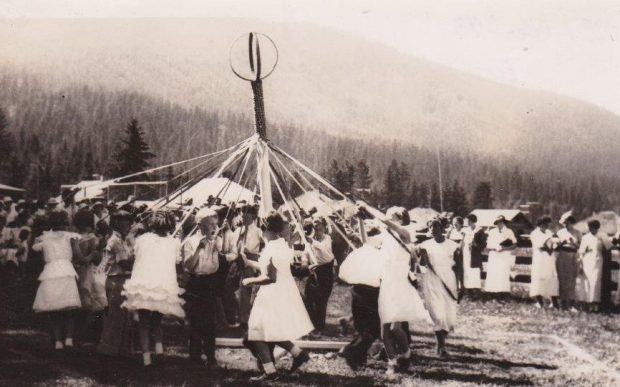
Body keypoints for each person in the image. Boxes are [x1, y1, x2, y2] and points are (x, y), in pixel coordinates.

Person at [243, 212, 313, 381]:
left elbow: (270, 277)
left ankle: (270, 372)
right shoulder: (282, 245)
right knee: (271, 330)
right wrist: (248, 262)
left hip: (272, 295)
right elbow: (272, 269)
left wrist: (249, 280)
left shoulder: (271, 249)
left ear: (266, 229)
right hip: (283, 292)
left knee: (257, 330)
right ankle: (298, 354)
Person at [122, 210, 185, 367]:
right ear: (170, 225)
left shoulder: (143, 239)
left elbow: (134, 256)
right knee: (157, 321)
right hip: (162, 285)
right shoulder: (174, 243)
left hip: (144, 284)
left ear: (152, 224)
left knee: (144, 322)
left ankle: (147, 359)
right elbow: (177, 264)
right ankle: (159, 352)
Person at [378, 228, 430, 375]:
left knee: (396, 328)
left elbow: (389, 223)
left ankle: (406, 353)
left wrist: (379, 217)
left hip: (400, 287)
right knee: (385, 330)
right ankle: (392, 362)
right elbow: (364, 240)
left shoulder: (406, 239)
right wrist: (361, 219)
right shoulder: (385, 242)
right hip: (386, 286)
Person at [182, 207, 229, 367]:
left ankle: (211, 357)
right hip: (196, 282)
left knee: (209, 321)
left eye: (215, 224)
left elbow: (218, 263)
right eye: (210, 224)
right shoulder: (190, 242)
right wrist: (199, 248)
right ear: (200, 224)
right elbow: (188, 266)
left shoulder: (217, 240)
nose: (214, 227)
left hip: (210, 282)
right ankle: (195, 357)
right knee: (195, 321)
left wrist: (217, 249)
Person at [32, 209, 82, 350]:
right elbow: (77, 255)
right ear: (66, 222)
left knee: (54, 310)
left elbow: (42, 260)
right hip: (66, 270)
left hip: (50, 271)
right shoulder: (70, 236)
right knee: (69, 308)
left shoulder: (44, 238)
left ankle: (58, 341)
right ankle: (69, 338)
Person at [417, 220, 460, 358]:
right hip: (431, 280)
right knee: (436, 312)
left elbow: (459, 267)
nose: (433, 229)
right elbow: (422, 264)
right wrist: (422, 256)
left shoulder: (452, 245)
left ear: (442, 228)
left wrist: (461, 285)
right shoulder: (425, 245)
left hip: (448, 279)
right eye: (430, 227)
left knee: (448, 313)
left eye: (436, 226)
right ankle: (441, 345)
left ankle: (442, 343)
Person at [97, 210, 135, 357]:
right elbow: (124, 263)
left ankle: (122, 349)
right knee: (117, 316)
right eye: (124, 221)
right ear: (116, 223)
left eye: (128, 221)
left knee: (125, 316)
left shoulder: (125, 240)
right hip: (117, 279)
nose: (128, 224)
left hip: (123, 279)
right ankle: (109, 349)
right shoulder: (115, 241)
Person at [303, 216, 335, 335]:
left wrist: (312, 242)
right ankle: (311, 324)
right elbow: (306, 252)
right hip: (314, 269)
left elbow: (326, 253)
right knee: (308, 297)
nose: (316, 226)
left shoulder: (327, 239)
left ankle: (319, 327)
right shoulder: (311, 238)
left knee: (321, 299)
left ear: (324, 226)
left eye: (319, 223)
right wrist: (305, 262)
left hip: (326, 270)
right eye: (314, 224)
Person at [237, 205, 263, 327]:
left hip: (251, 258)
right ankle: (232, 316)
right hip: (237, 258)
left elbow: (265, 245)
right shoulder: (238, 230)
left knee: (245, 288)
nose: (243, 217)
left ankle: (244, 320)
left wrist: (259, 261)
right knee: (227, 286)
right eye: (242, 215)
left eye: (246, 215)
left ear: (253, 216)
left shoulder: (258, 231)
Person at [484, 216, 517, 300]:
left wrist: (505, 248)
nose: (499, 224)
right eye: (497, 222)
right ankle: (493, 295)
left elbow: (514, 245)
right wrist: (494, 248)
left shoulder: (509, 231)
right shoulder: (492, 232)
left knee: (503, 274)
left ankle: (504, 294)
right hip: (494, 255)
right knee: (493, 274)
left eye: (501, 222)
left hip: (504, 255)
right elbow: (488, 245)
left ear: (504, 222)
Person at [529, 216, 559, 309]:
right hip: (540, 258)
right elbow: (540, 246)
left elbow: (554, 243)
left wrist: (554, 246)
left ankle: (554, 303)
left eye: (548, 224)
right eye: (545, 224)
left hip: (549, 259)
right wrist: (549, 247)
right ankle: (540, 302)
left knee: (551, 278)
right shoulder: (534, 233)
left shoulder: (549, 232)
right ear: (540, 224)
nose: (547, 226)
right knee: (539, 278)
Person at [577, 220, 607, 312]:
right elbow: (581, 251)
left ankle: (596, 304)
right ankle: (589, 304)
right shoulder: (585, 237)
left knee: (595, 282)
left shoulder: (602, 236)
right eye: (590, 227)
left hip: (597, 261)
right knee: (588, 282)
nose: (592, 229)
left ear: (597, 228)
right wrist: (581, 264)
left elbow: (609, 247)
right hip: (587, 261)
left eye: (594, 227)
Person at [556, 212, 581, 311]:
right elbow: (555, 245)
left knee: (571, 278)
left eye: (567, 223)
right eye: (564, 223)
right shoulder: (560, 232)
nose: (565, 225)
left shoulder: (577, 233)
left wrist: (574, 243)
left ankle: (571, 303)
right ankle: (562, 302)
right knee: (562, 278)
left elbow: (581, 247)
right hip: (562, 255)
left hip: (573, 255)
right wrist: (561, 243)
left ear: (571, 222)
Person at [461, 214, 485, 297]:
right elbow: (463, 241)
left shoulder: (479, 231)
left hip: (474, 255)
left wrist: (475, 245)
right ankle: (468, 290)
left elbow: (483, 244)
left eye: (468, 220)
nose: (467, 222)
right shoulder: (465, 231)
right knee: (466, 270)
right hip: (466, 253)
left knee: (474, 271)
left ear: (472, 220)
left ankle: (476, 291)